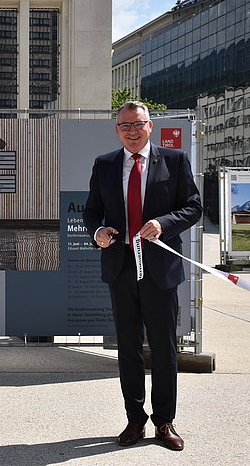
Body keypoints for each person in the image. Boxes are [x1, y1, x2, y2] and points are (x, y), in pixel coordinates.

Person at [83, 101, 202, 451]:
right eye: (125, 126)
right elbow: (92, 211)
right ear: (117, 130)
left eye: (138, 125)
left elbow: (193, 206)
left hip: (160, 271)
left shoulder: (175, 161)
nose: (132, 132)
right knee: (128, 348)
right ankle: (135, 420)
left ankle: (165, 421)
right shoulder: (105, 164)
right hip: (120, 269)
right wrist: (98, 232)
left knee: (164, 347)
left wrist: (163, 224)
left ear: (151, 126)